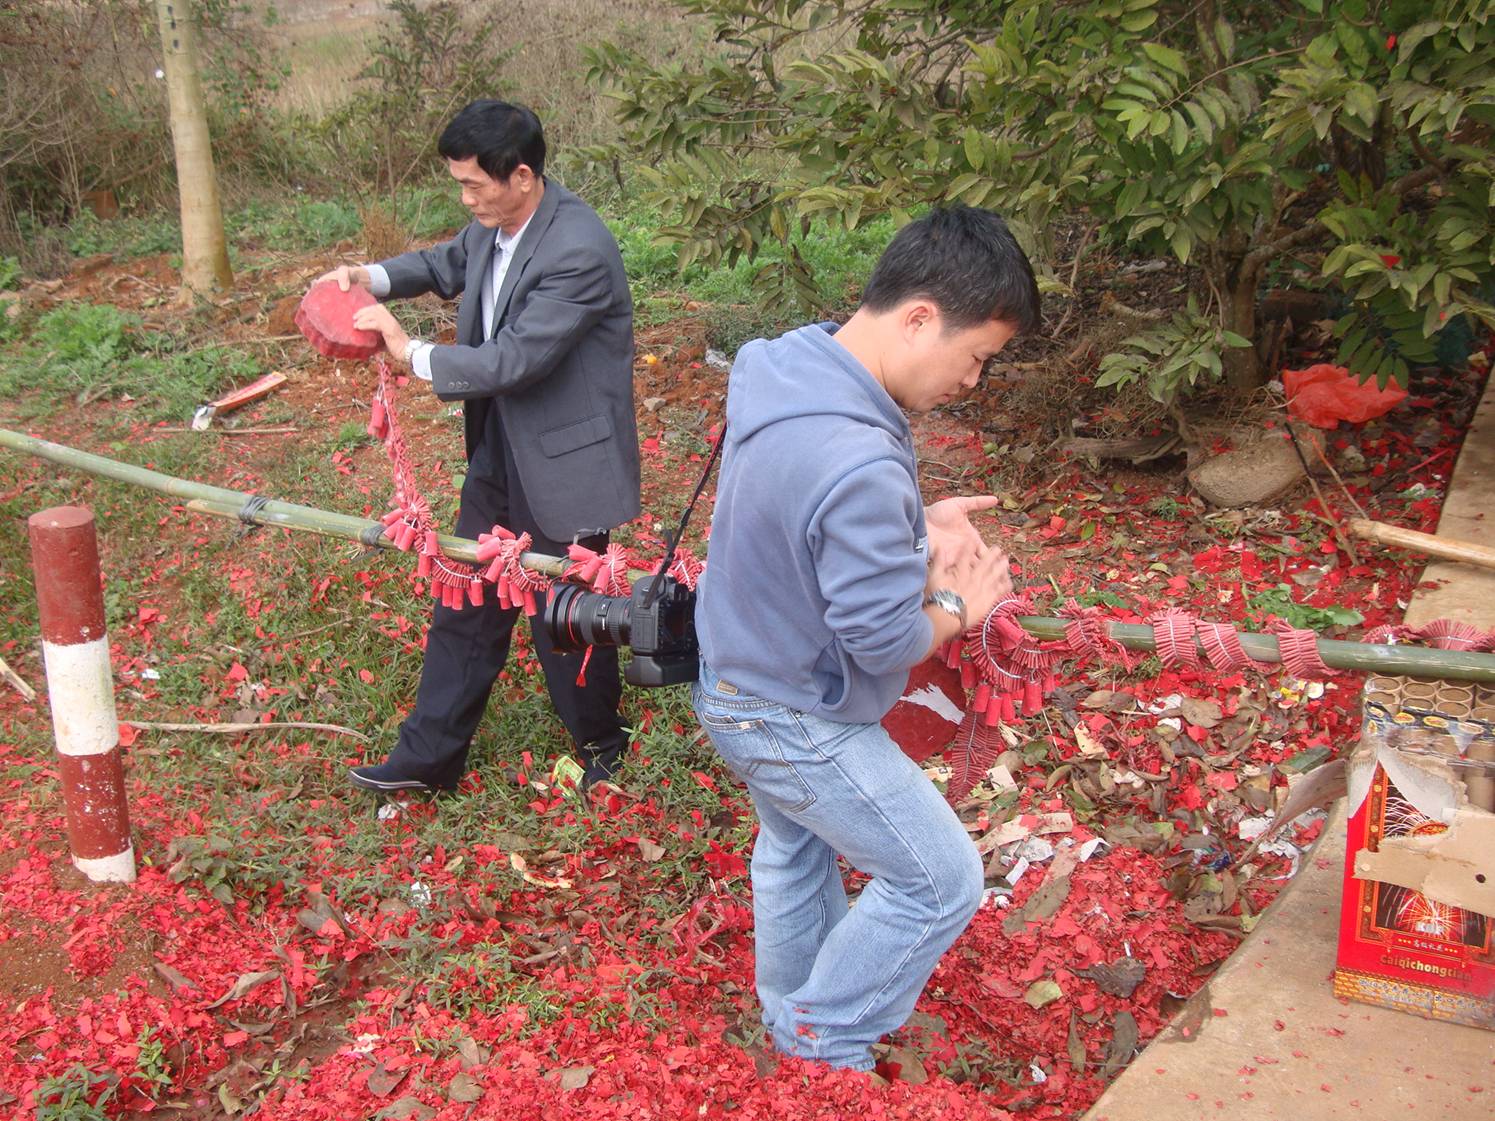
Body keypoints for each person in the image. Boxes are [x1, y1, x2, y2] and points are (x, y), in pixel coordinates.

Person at [692, 206, 1041, 1071]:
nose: (971, 382)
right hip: (794, 711)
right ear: (920, 316)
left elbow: (798, 513)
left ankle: (790, 1010)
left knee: (793, 847)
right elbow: (885, 640)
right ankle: (823, 1030)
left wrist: (910, 528)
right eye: (977, 358)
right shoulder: (857, 458)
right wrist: (962, 599)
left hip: (736, 673)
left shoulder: (783, 364)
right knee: (940, 879)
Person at [315, 100, 639, 794]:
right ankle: (427, 761)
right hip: (498, 449)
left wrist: (412, 353)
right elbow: (443, 261)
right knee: (465, 598)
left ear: (521, 175)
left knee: (565, 615)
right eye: (458, 184)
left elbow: (513, 360)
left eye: (472, 185)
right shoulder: (494, 224)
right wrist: (368, 276)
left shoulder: (578, 248)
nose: (464, 198)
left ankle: (603, 744)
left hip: (564, 460)